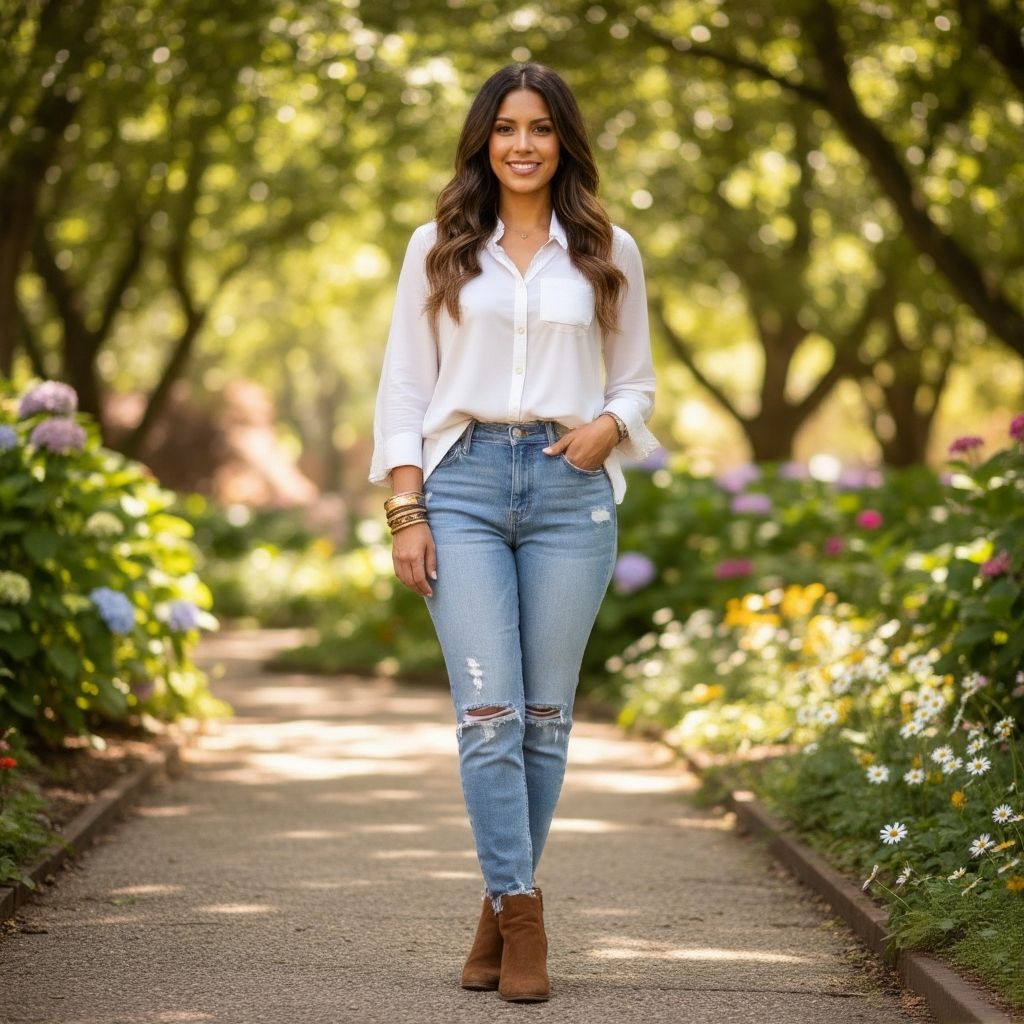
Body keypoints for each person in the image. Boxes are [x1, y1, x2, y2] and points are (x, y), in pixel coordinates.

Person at [368, 61, 660, 1003]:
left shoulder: (609, 248)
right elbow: (405, 386)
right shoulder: (437, 247)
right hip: (461, 483)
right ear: (483, 141)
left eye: (539, 127)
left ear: (564, 140)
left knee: (544, 719)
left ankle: (499, 906)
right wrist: (407, 510)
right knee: (488, 713)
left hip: (571, 490)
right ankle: (525, 917)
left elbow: (637, 382)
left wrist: (609, 426)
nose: (522, 145)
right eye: (505, 128)